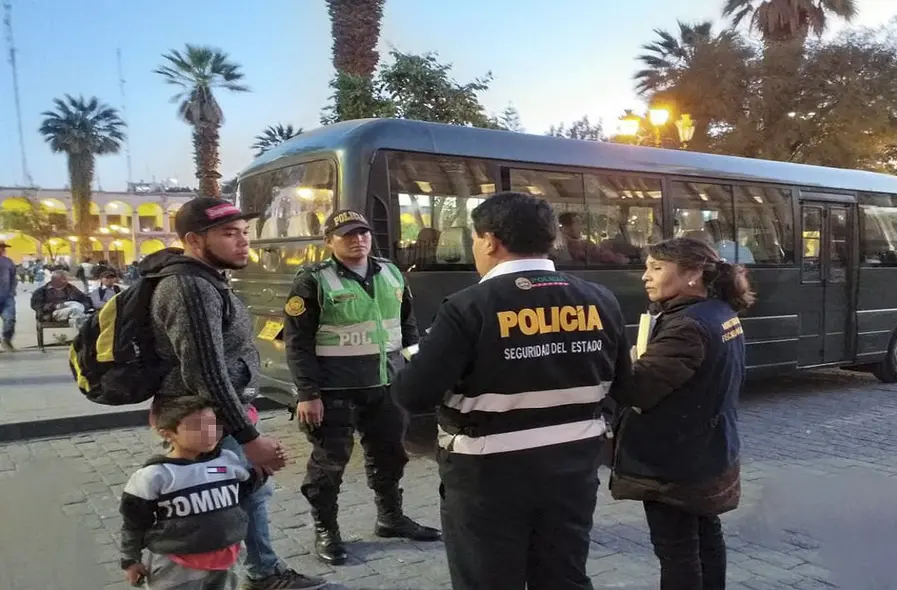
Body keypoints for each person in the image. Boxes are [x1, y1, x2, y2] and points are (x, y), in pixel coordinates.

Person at [392, 192, 632, 590]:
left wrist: (414, 363)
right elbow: (624, 386)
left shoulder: (468, 306)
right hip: (572, 470)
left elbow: (412, 395)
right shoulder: (600, 299)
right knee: (563, 578)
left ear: (489, 240)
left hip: (487, 478)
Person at [147, 197, 328, 590]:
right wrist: (249, 438)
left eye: (244, 232)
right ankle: (221, 577)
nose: (244, 242)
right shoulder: (190, 287)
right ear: (194, 240)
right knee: (214, 504)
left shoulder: (208, 280)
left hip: (221, 412)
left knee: (251, 492)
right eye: (229, 234)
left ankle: (263, 570)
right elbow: (205, 372)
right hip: (203, 417)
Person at [283, 209, 440, 565]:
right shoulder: (313, 280)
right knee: (329, 464)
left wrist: (414, 370)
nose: (358, 240)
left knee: (390, 454)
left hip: (386, 383)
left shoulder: (391, 272)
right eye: (348, 235)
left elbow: (407, 327)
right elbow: (298, 342)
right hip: (334, 390)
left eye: (364, 233)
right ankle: (327, 531)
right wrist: (308, 394)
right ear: (329, 242)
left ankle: (391, 518)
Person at [610, 237, 754, 590]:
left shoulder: (687, 326)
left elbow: (638, 390)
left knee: (677, 551)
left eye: (657, 268)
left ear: (692, 274)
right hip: (708, 449)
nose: (645, 276)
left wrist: (628, 363)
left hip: (675, 461)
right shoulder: (720, 312)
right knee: (705, 536)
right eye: (646, 267)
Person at [120, 396, 267, 589]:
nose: (209, 432)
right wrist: (130, 560)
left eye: (213, 424)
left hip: (226, 558)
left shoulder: (221, 465)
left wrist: (262, 471)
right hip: (176, 566)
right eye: (197, 427)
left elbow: (237, 485)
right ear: (168, 434)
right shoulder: (156, 476)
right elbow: (134, 523)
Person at [0, 240, 16, 351]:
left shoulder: (8, 262)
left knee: (10, 319)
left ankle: (7, 339)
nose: (2, 249)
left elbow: (13, 278)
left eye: (2, 247)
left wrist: (12, 291)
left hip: (7, 296)